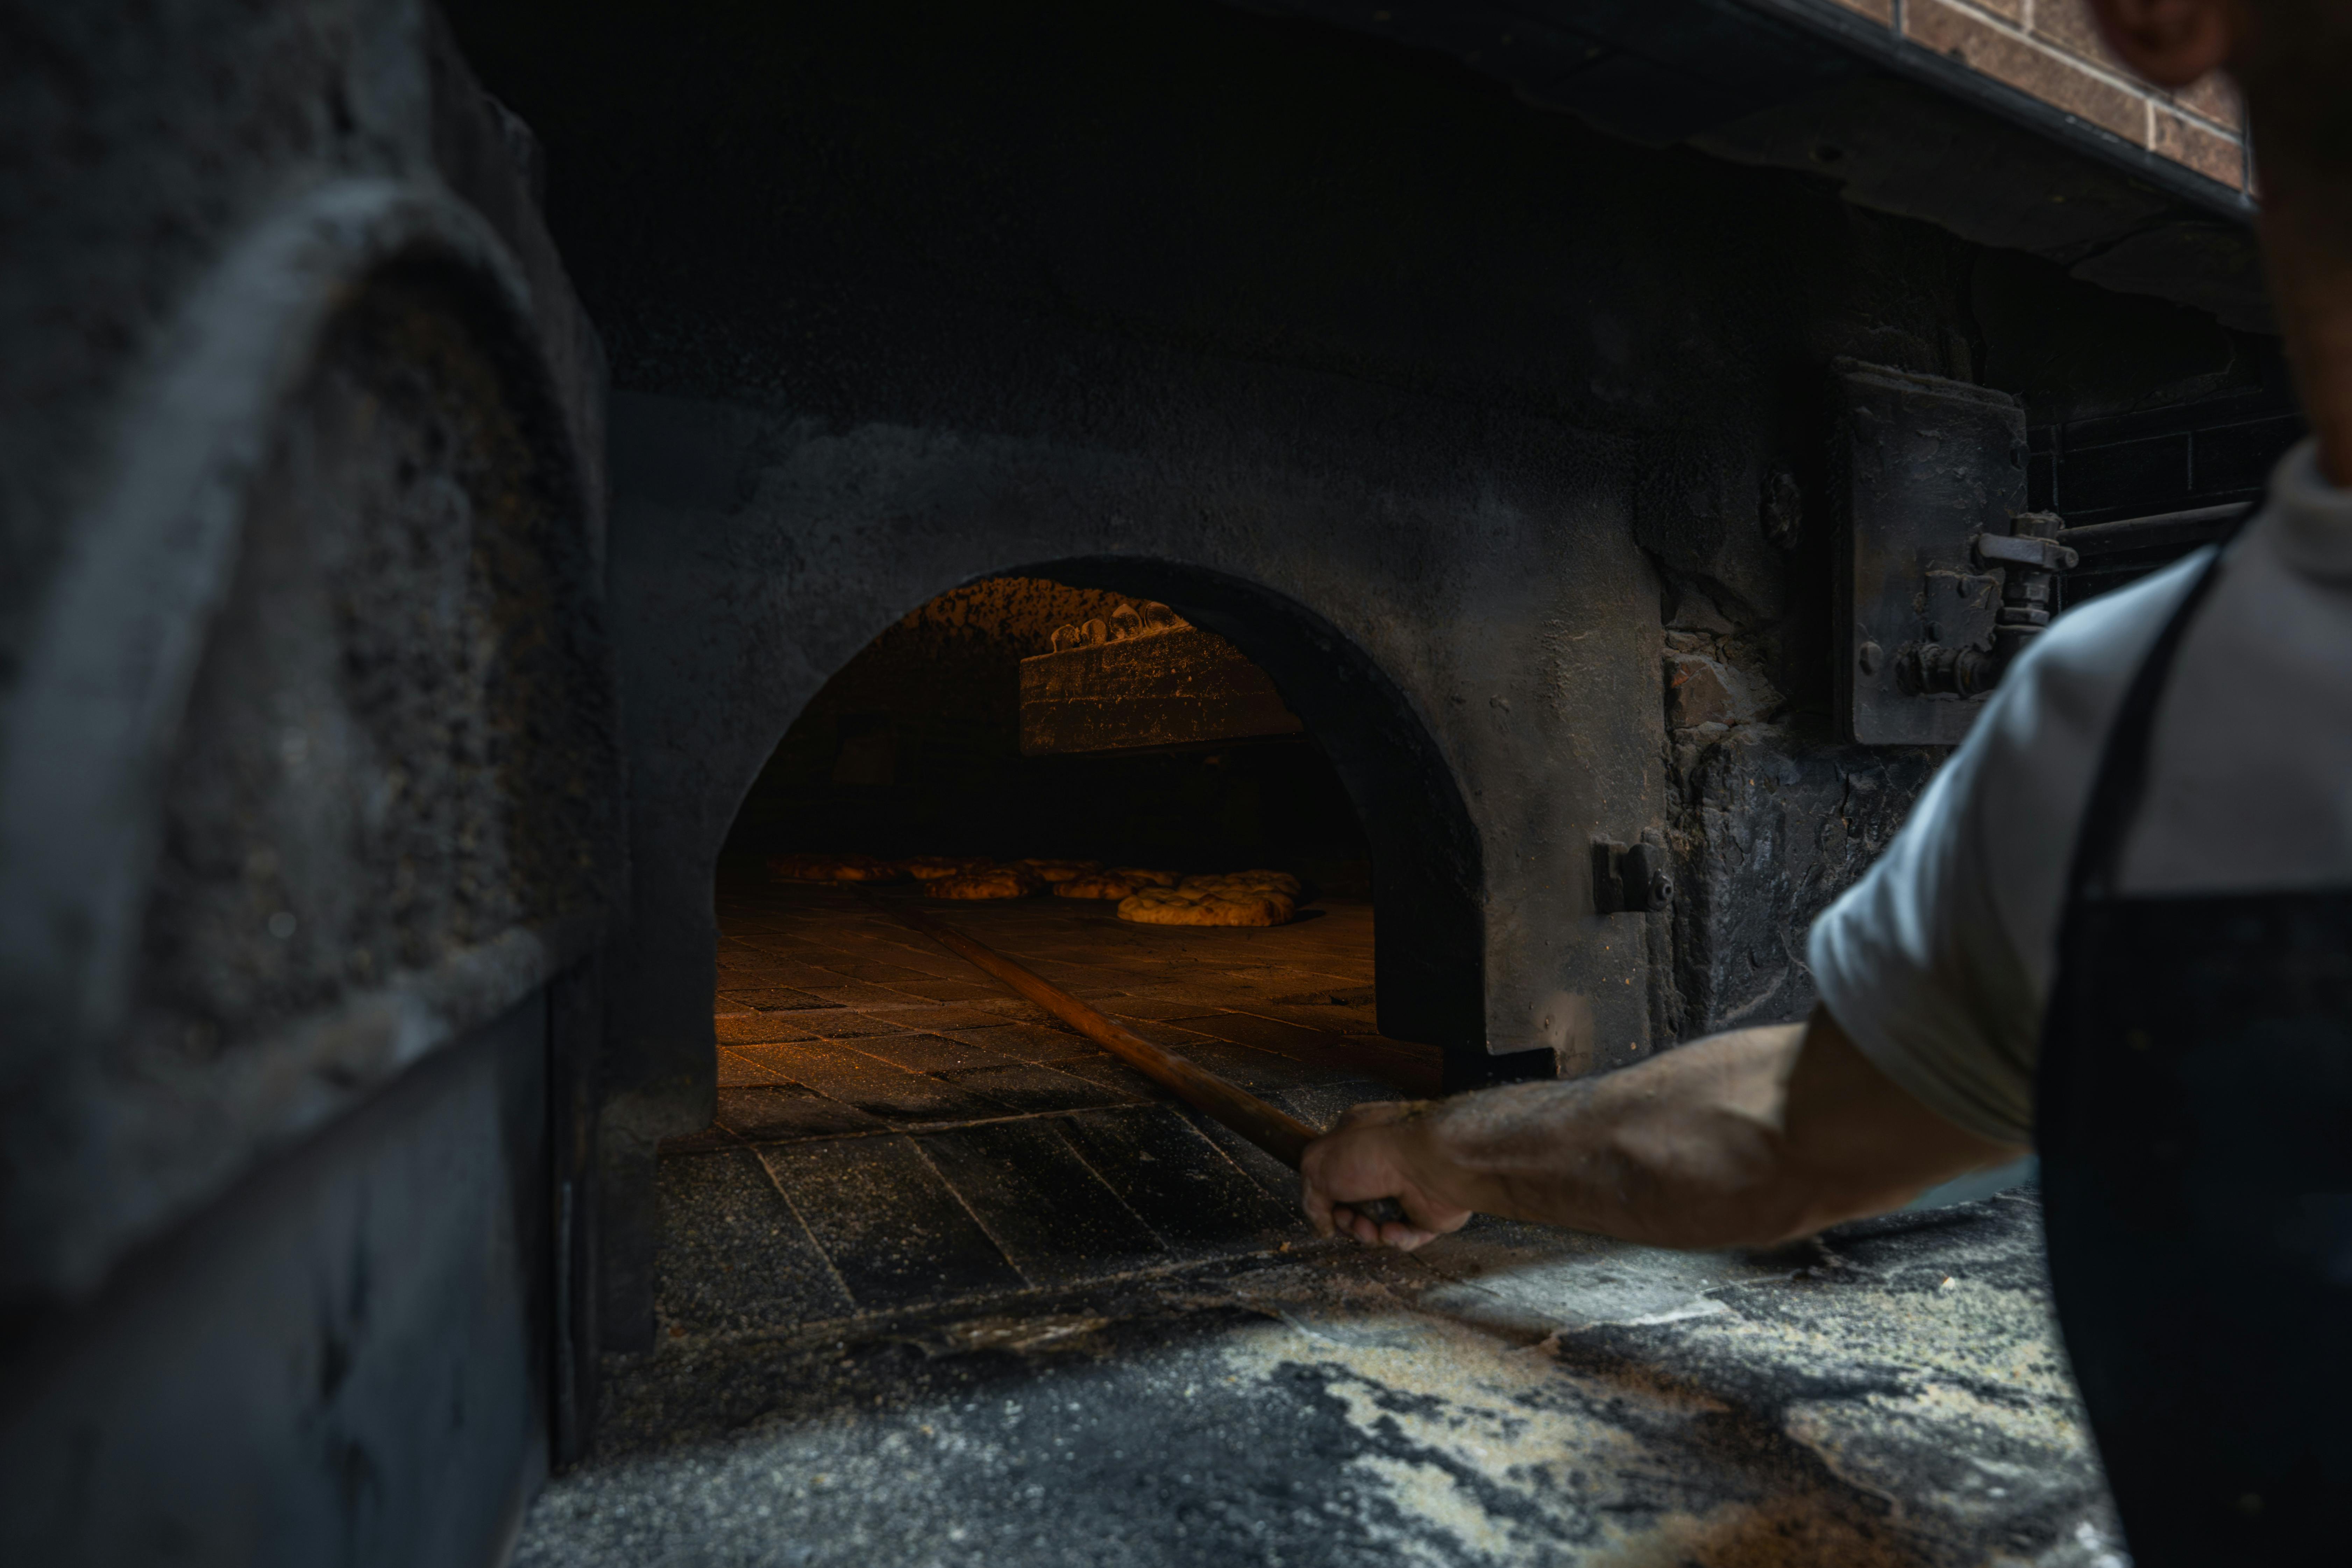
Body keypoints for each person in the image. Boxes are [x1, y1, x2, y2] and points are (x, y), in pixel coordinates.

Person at [1299, 0, 2352, 1558]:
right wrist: (1440, 1145)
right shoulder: (2118, 723)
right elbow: (1792, 1123)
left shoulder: (2132, 720)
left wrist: (1437, 1148)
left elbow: (1793, 1133)